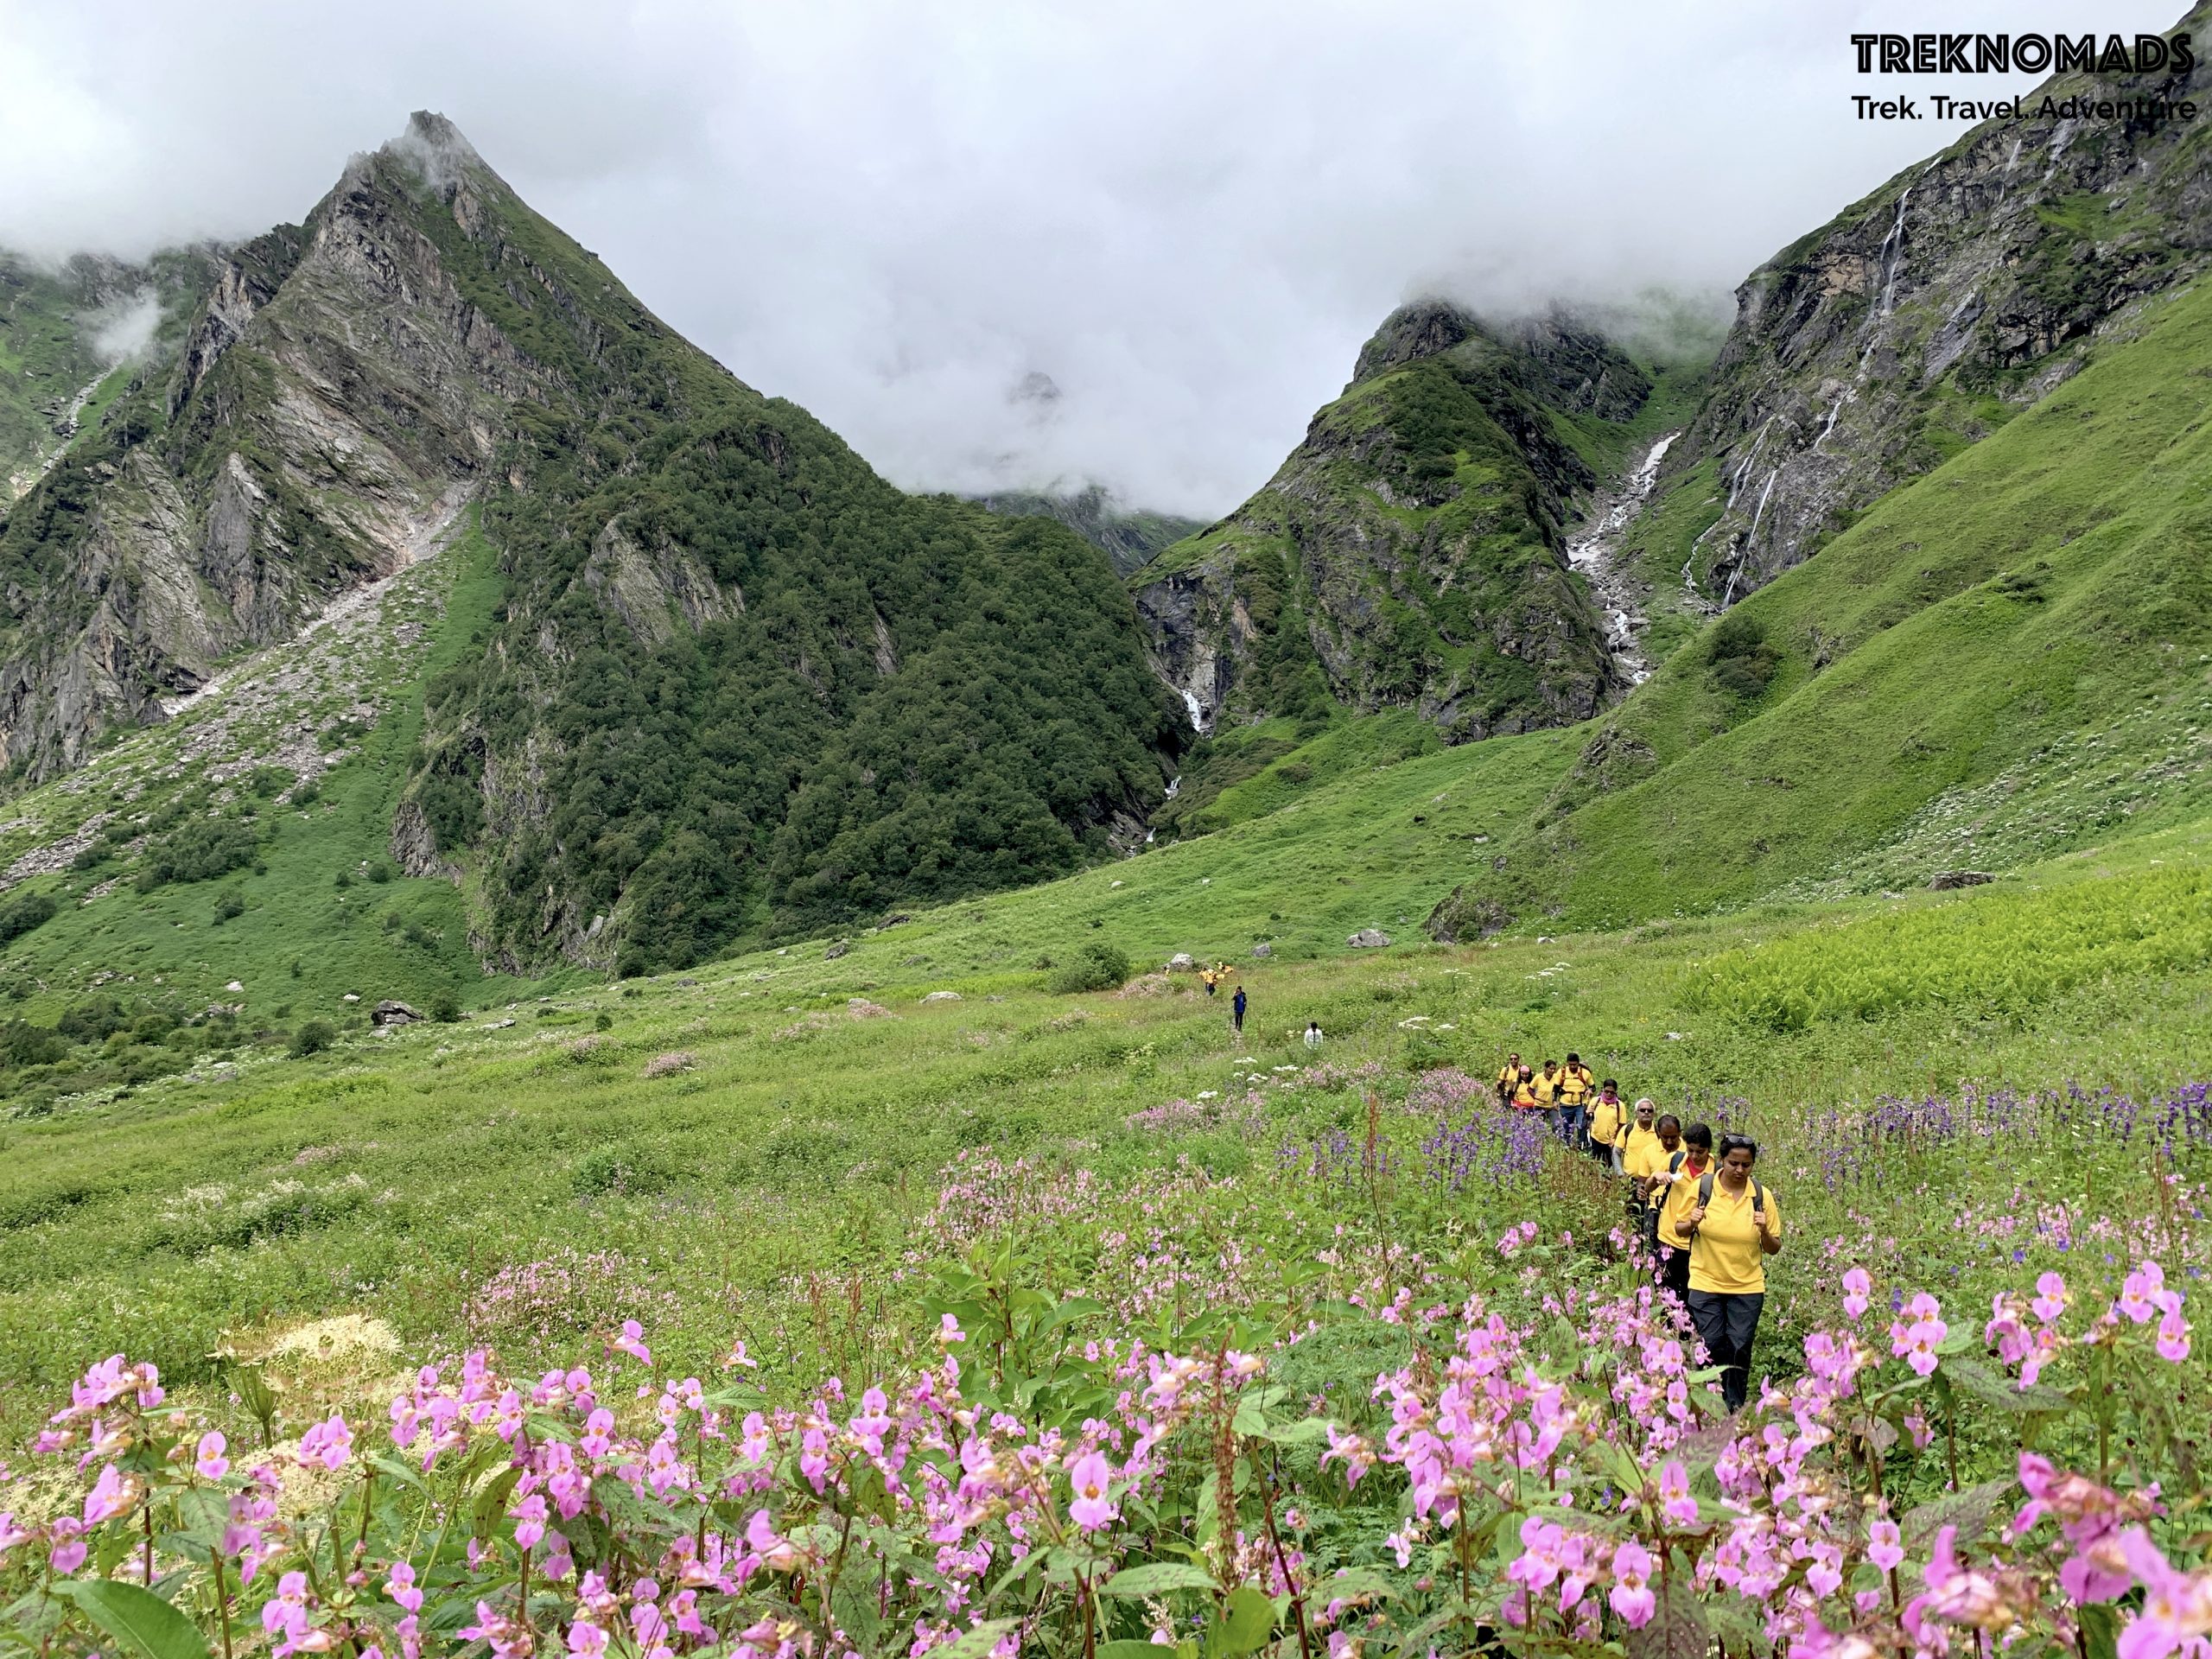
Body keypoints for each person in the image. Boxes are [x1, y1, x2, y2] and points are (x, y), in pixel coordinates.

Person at [1680, 1135, 1783, 1413]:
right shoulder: (1703, 1188)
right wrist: (1691, 1221)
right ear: (1722, 1160)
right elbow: (1678, 1229)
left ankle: (1733, 1407)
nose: (1739, 1170)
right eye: (1733, 1163)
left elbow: (1774, 1248)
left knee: (1738, 1347)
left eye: (1746, 1165)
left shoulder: (1761, 1196)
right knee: (1711, 1343)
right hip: (1705, 1281)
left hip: (1747, 1287)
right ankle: (1706, 1403)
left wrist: (1764, 1231)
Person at [1648, 1122, 1714, 1301]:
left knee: (1690, 1295)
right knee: (1663, 1292)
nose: (1694, 1156)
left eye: (1700, 1152)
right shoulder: (1674, 1160)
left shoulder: (1717, 1172)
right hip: (1668, 1238)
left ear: (1709, 1149)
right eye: (1690, 1150)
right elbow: (1647, 1186)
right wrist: (1656, 1177)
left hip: (1698, 1245)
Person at [1621, 1098, 1664, 1183]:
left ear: (1654, 1114)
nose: (1646, 1112)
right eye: (1642, 1110)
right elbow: (1616, 1152)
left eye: (1650, 1110)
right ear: (1636, 1113)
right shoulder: (1627, 1129)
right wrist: (1620, 1174)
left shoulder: (1659, 1133)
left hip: (1652, 1183)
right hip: (1629, 1182)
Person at [1587, 1080, 1625, 1169]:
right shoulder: (1595, 1101)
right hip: (1595, 1137)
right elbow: (1588, 1117)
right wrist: (1588, 1113)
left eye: (1612, 1092)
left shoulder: (1620, 1106)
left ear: (1615, 1092)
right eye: (1606, 1091)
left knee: (1608, 1165)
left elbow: (1622, 1125)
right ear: (1603, 1090)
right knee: (1593, 1162)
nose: (1609, 1094)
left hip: (1610, 1141)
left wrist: (1615, 1139)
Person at [1557, 1054, 1593, 1146]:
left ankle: (1581, 1144)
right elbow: (1556, 1088)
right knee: (1567, 1127)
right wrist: (1554, 1100)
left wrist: (1590, 1090)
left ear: (1578, 1063)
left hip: (1580, 1104)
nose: (1572, 1067)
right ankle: (1567, 1145)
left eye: (1575, 1064)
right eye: (1570, 1065)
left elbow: (1593, 1086)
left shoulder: (1585, 1073)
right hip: (1565, 1104)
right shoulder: (1561, 1072)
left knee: (1582, 1125)